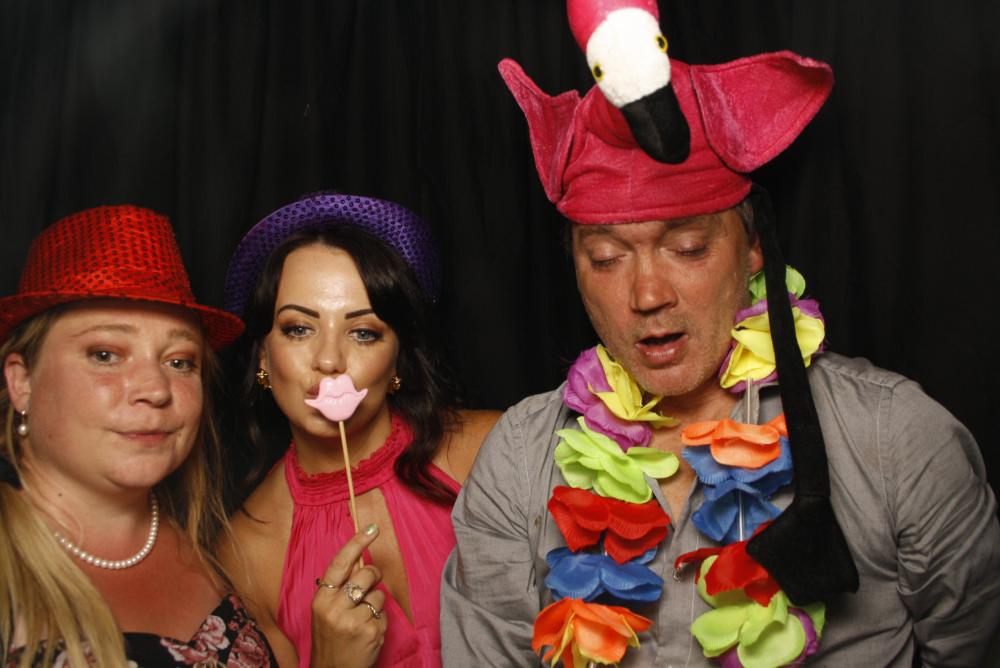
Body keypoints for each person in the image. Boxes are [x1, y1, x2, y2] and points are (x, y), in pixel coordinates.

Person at [440, 2, 1000, 666]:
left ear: (754, 247)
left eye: (688, 248)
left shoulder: (895, 438)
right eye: (607, 259)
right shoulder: (519, 459)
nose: (648, 295)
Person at [220, 193, 500, 668]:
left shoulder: (493, 451)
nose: (330, 360)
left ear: (398, 361)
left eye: (363, 332)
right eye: (298, 329)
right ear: (263, 356)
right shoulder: (245, 554)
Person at [0, 205, 276, 666]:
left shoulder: (224, 545)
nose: (156, 390)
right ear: (22, 381)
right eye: (105, 354)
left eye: (179, 361)